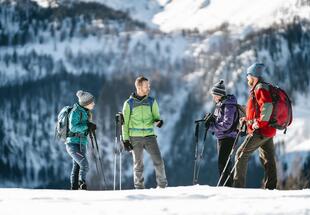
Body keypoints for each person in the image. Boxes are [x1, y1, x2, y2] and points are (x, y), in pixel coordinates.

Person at [233, 63, 277, 189]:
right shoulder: (260, 87)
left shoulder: (260, 88)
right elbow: (257, 109)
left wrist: (258, 123)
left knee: (241, 154)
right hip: (268, 130)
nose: (247, 79)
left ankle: (237, 188)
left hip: (260, 130)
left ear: (253, 76)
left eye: (248, 76)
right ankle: (271, 188)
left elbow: (267, 106)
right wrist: (247, 119)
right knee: (268, 160)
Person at [122, 76, 168, 189]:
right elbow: (125, 123)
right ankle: (139, 188)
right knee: (138, 165)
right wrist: (125, 140)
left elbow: (156, 117)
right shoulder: (129, 104)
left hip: (150, 136)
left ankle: (162, 187)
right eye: (146, 86)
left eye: (149, 85)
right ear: (139, 87)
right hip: (134, 137)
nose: (148, 87)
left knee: (159, 161)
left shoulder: (152, 101)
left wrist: (159, 122)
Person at [208, 79, 239, 186]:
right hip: (222, 137)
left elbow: (227, 124)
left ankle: (227, 187)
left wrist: (212, 126)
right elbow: (219, 120)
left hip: (228, 137)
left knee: (223, 164)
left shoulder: (229, 105)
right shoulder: (220, 104)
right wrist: (211, 120)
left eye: (214, 95)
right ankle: (226, 185)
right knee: (223, 163)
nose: (213, 97)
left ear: (219, 94)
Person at [66, 90, 97, 190]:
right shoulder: (76, 111)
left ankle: (74, 189)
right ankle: (81, 183)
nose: (93, 103)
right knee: (84, 164)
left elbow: (84, 127)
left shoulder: (86, 112)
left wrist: (90, 127)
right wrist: (86, 125)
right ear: (86, 103)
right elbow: (73, 127)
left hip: (82, 142)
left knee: (77, 166)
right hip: (73, 143)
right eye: (91, 102)